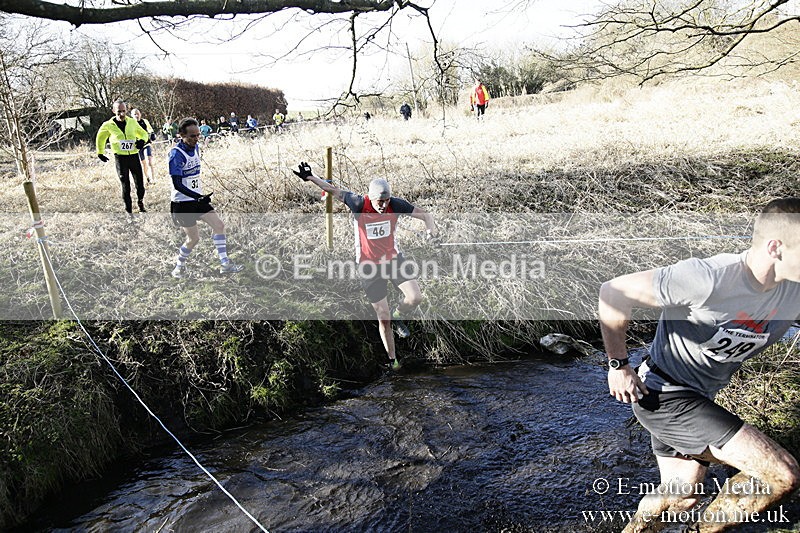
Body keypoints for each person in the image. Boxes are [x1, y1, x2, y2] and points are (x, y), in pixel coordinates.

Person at [598, 198, 800, 533]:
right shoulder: (709, 279)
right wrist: (619, 365)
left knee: (682, 497)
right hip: (662, 394)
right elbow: (614, 291)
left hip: (699, 399)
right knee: (780, 473)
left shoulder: (793, 291)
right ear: (776, 247)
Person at [292, 162, 441, 370]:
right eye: (380, 201)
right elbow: (333, 190)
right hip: (369, 267)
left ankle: (400, 315)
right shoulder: (359, 203)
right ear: (371, 197)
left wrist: (431, 233)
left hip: (394, 260)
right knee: (384, 319)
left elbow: (426, 215)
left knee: (415, 297)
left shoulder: (395, 205)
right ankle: (393, 361)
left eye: (386, 200)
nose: (383, 205)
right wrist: (310, 178)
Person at [168, 118, 244, 278]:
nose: (196, 139)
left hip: (197, 200)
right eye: (192, 136)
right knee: (193, 239)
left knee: (219, 225)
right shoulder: (176, 154)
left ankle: (225, 264)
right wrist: (197, 196)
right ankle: (178, 267)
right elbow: (177, 184)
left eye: (198, 135)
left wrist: (199, 197)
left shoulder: (196, 149)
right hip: (182, 203)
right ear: (181, 135)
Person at [95, 99, 150, 219]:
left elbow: (144, 134)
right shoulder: (108, 125)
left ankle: (140, 202)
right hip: (120, 158)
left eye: (124, 111)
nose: (121, 114)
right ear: (113, 111)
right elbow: (100, 138)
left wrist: (142, 141)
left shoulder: (132, 122)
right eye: (118, 111)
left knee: (140, 185)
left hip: (134, 157)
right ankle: (128, 212)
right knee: (125, 185)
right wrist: (100, 152)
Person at [130, 108, 156, 186]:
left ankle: (153, 179)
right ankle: (147, 178)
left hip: (146, 144)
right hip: (137, 146)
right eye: (135, 114)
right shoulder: (130, 123)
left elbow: (150, 128)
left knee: (149, 161)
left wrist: (152, 134)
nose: (137, 115)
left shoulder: (144, 121)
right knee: (143, 164)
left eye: (138, 113)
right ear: (131, 116)